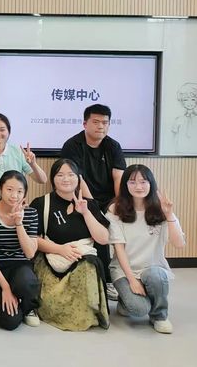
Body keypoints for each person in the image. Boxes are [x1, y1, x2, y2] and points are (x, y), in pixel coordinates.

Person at [30, 158, 110, 331]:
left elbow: (103, 239)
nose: (66, 179)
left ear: (79, 178)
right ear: (53, 179)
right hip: (52, 261)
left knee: (89, 264)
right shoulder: (42, 203)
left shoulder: (89, 204)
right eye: (60, 175)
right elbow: (32, 239)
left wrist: (86, 213)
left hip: (83, 261)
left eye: (71, 174)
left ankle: (85, 315)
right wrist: (60, 249)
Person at [106, 165, 186, 334]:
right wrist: (132, 280)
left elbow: (179, 244)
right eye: (132, 182)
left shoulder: (161, 208)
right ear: (125, 185)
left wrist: (169, 215)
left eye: (143, 182)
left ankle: (159, 316)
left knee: (156, 276)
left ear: (151, 184)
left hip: (152, 268)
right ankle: (126, 300)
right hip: (124, 270)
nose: (139, 186)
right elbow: (119, 249)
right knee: (139, 309)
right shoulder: (115, 209)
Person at [61, 104, 126, 300]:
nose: (101, 126)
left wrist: (119, 203)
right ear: (85, 124)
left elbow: (118, 177)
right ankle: (106, 280)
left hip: (109, 199)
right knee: (99, 221)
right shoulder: (72, 145)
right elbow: (76, 179)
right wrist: (92, 206)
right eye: (96, 122)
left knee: (120, 218)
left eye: (105, 123)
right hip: (81, 197)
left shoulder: (113, 146)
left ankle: (122, 275)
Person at [0, 171, 41, 330]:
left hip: (20, 265)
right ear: (0, 190)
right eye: (9, 189)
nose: (14, 195)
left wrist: (18, 223)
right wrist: (6, 288)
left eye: (20, 191)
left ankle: (29, 307)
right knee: (10, 322)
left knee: (26, 282)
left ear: (25, 194)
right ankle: (2, 302)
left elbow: (30, 253)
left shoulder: (31, 213)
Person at [0, 113, 47, 207]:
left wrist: (33, 164)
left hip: (16, 208)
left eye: (2, 130)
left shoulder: (17, 152)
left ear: (8, 132)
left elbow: (42, 180)